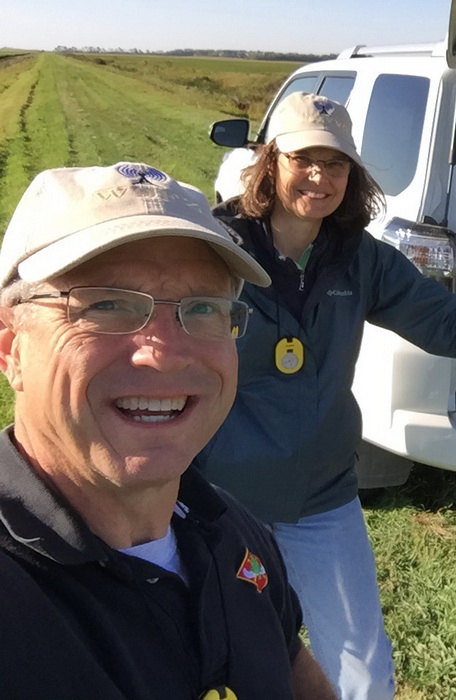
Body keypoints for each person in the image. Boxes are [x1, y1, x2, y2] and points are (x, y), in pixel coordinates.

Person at [194, 92, 456, 699]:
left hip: (321, 499)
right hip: (217, 502)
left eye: (338, 163)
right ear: (270, 161)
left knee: (362, 672)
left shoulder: (361, 260)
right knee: (206, 655)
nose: (321, 176)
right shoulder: (212, 253)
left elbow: (454, 326)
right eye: (305, 158)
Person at [0, 162, 337, 700]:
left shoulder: (233, 532)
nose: (162, 356)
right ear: (11, 347)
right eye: (106, 304)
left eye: (202, 308)